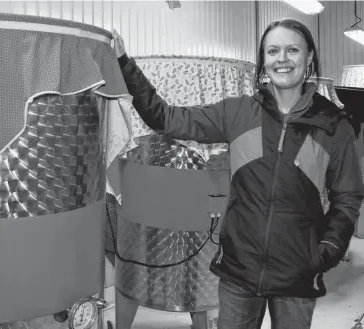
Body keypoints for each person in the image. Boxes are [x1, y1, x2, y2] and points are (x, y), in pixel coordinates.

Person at [111, 18, 364, 329]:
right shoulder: (239, 112)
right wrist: (125, 64)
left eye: (292, 50)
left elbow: (348, 196)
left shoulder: (333, 125)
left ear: (309, 57)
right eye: (273, 51)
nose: (281, 59)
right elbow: (167, 118)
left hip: (298, 277)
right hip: (238, 274)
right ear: (264, 60)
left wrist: (328, 251)